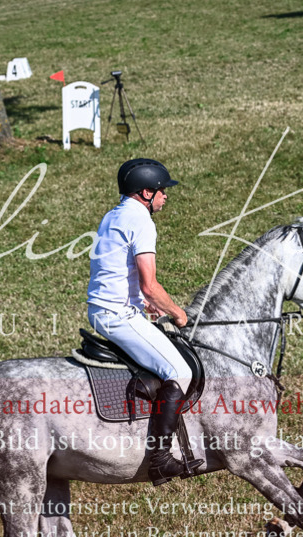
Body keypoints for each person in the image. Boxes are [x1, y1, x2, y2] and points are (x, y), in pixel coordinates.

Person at [86, 158, 200, 486]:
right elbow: (150, 284)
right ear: (146, 192)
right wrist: (178, 313)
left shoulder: (114, 215)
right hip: (118, 314)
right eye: (162, 191)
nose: (166, 196)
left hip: (105, 308)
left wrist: (145, 305)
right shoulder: (142, 221)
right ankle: (161, 458)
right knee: (180, 371)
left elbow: (118, 271)